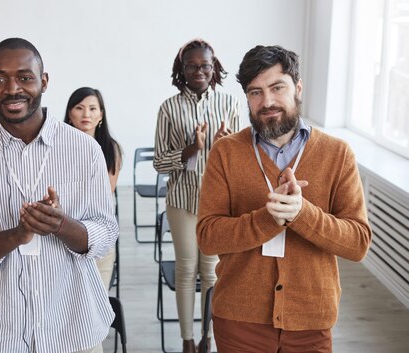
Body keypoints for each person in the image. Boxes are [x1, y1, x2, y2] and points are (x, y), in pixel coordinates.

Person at [0, 38, 118, 353]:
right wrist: (15, 236)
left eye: (24, 77)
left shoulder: (84, 149)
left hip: (73, 327)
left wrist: (63, 226)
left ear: (44, 81)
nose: (11, 88)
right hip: (1, 332)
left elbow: (106, 231)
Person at [196, 45, 372, 353]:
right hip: (239, 319)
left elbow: (357, 243)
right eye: (255, 92)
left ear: (297, 87)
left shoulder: (337, 154)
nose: (267, 102)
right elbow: (208, 238)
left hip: (311, 320)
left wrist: (303, 213)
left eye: (277, 87)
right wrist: (267, 219)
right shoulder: (225, 153)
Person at [153, 38, 240, 353]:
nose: (199, 70)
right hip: (182, 201)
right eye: (192, 65)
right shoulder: (169, 107)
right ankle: (187, 340)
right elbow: (160, 162)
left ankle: (209, 338)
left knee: (212, 271)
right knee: (186, 269)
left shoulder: (230, 104)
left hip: (217, 203)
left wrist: (224, 147)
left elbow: (242, 158)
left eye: (205, 65)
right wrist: (191, 149)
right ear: (182, 69)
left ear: (214, 67)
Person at [64, 86, 122, 289]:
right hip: (65, 233)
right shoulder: (58, 147)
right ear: (70, 114)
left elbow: (105, 193)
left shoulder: (110, 148)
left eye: (92, 108)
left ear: (101, 115)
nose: (86, 114)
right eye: (79, 108)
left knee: (98, 300)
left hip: (98, 232)